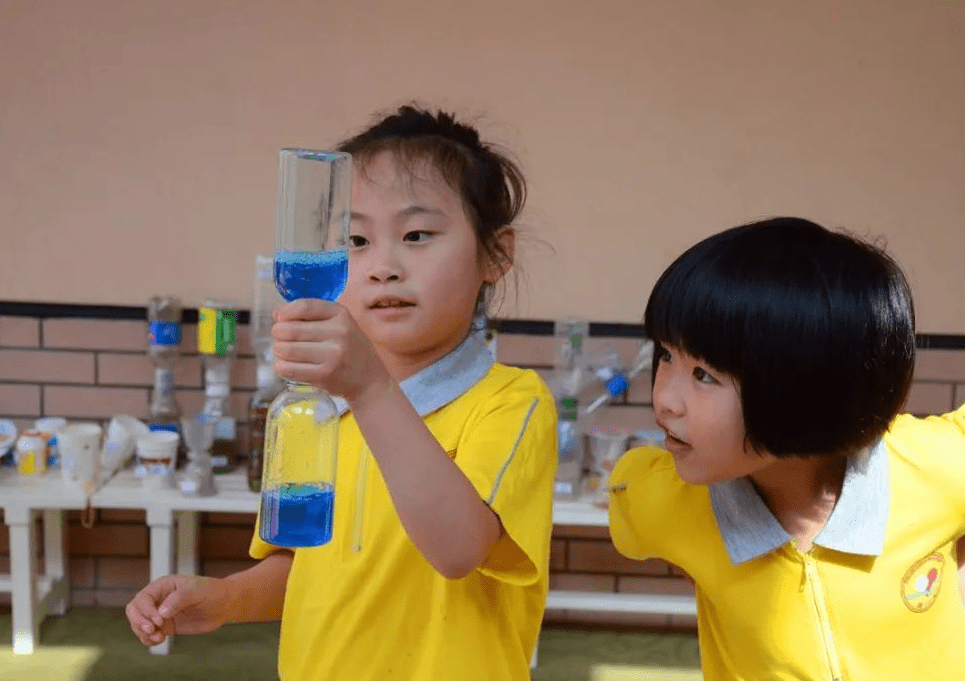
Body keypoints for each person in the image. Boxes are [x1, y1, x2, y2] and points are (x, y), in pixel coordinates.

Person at [125, 104, 558, 680]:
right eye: (355, 240)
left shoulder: (510, 402)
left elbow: (458, 551)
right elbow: (305, 567)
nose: (383, 266)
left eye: (417, 235)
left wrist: (371, 390)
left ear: (495, 254)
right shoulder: (316, 407)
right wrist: (227, 599)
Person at [608, 217, 965, 679]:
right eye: (667, 356)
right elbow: (628, 488)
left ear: (807, 392)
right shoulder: (663, 499)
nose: (664, 400)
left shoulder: (930, 467)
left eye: (704, 375)